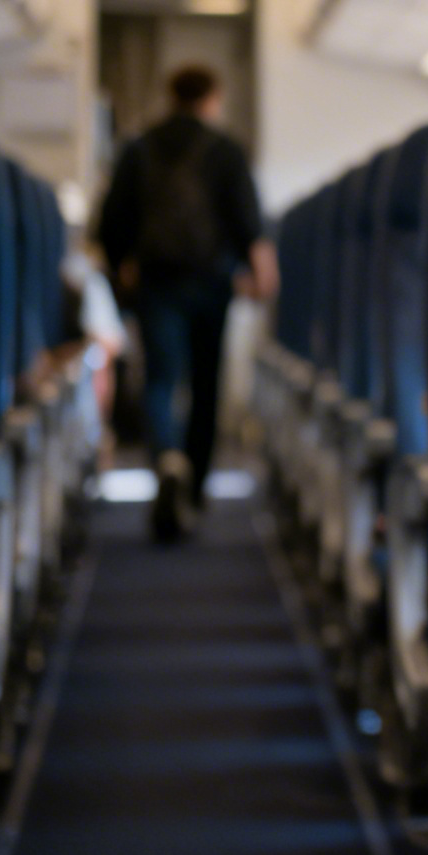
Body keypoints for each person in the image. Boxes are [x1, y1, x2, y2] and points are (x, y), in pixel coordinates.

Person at [96, 63, 271, 540]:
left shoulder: (138, 147)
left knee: (160, 378)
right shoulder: (226, 150)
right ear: (211, 97)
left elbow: (112, 222)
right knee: (205, 383)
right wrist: (259, 274)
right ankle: (194, 486)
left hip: (157, 280)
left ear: (171, 96)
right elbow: (248, 220)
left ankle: (166, 463)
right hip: (213, 283)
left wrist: (123, 266)